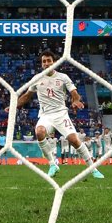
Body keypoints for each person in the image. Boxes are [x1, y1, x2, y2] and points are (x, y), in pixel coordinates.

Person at [6, 50, 104, 179]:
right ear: (41, 64)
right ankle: (53, 164)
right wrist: (13, 107)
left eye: (49, 61)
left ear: (54, 62)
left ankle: (93, 168)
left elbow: (74, 92)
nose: (46, 63)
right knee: (39, 132)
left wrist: (75, 100)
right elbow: (26, 96)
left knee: (74, 140)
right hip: (46, 116)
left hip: (61, 114)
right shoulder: (37, 78)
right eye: (44, 61)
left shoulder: (63, 77)